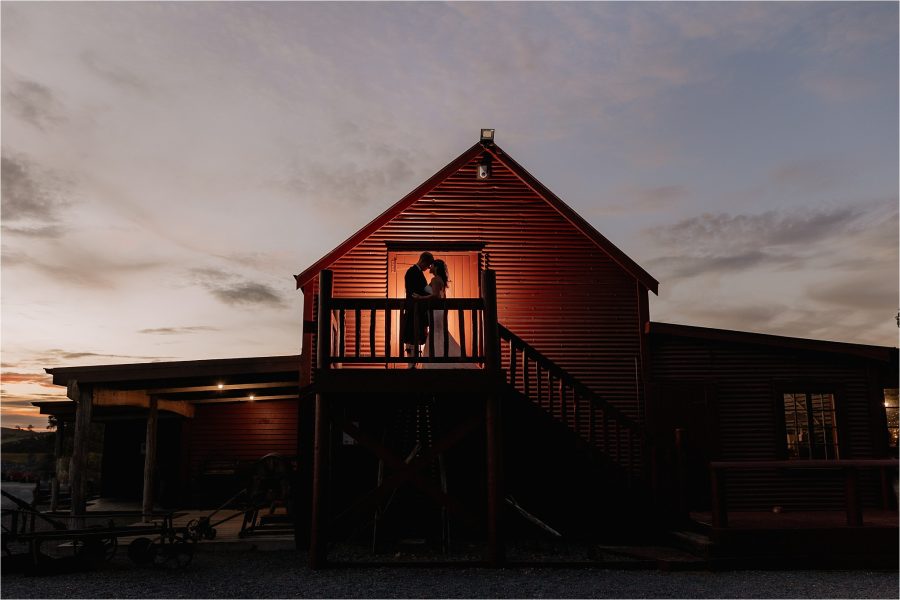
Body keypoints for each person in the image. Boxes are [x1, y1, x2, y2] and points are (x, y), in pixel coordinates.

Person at [420, 259, 476, 369]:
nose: (429, 267)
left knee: (436, 332)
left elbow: (436, 295)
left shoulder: (435, 279)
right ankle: (442, 356)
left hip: (435, 311)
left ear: (436, 267)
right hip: (439, 311)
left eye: (432, 265)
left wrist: (421, 297)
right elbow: (442, 296)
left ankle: (437, 361)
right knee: (439, 332)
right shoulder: (441, 280)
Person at [401, 251, 434, 367]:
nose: (428, 268)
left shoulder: (415, 272)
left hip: (416, 309)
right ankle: (411, 364)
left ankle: (412, 363)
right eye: (428, 265)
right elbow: (418, 290)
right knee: (412, 335)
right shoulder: (413, 272)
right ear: (423, 261)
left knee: (414, 335)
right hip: (414, 309)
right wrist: (432, 290)